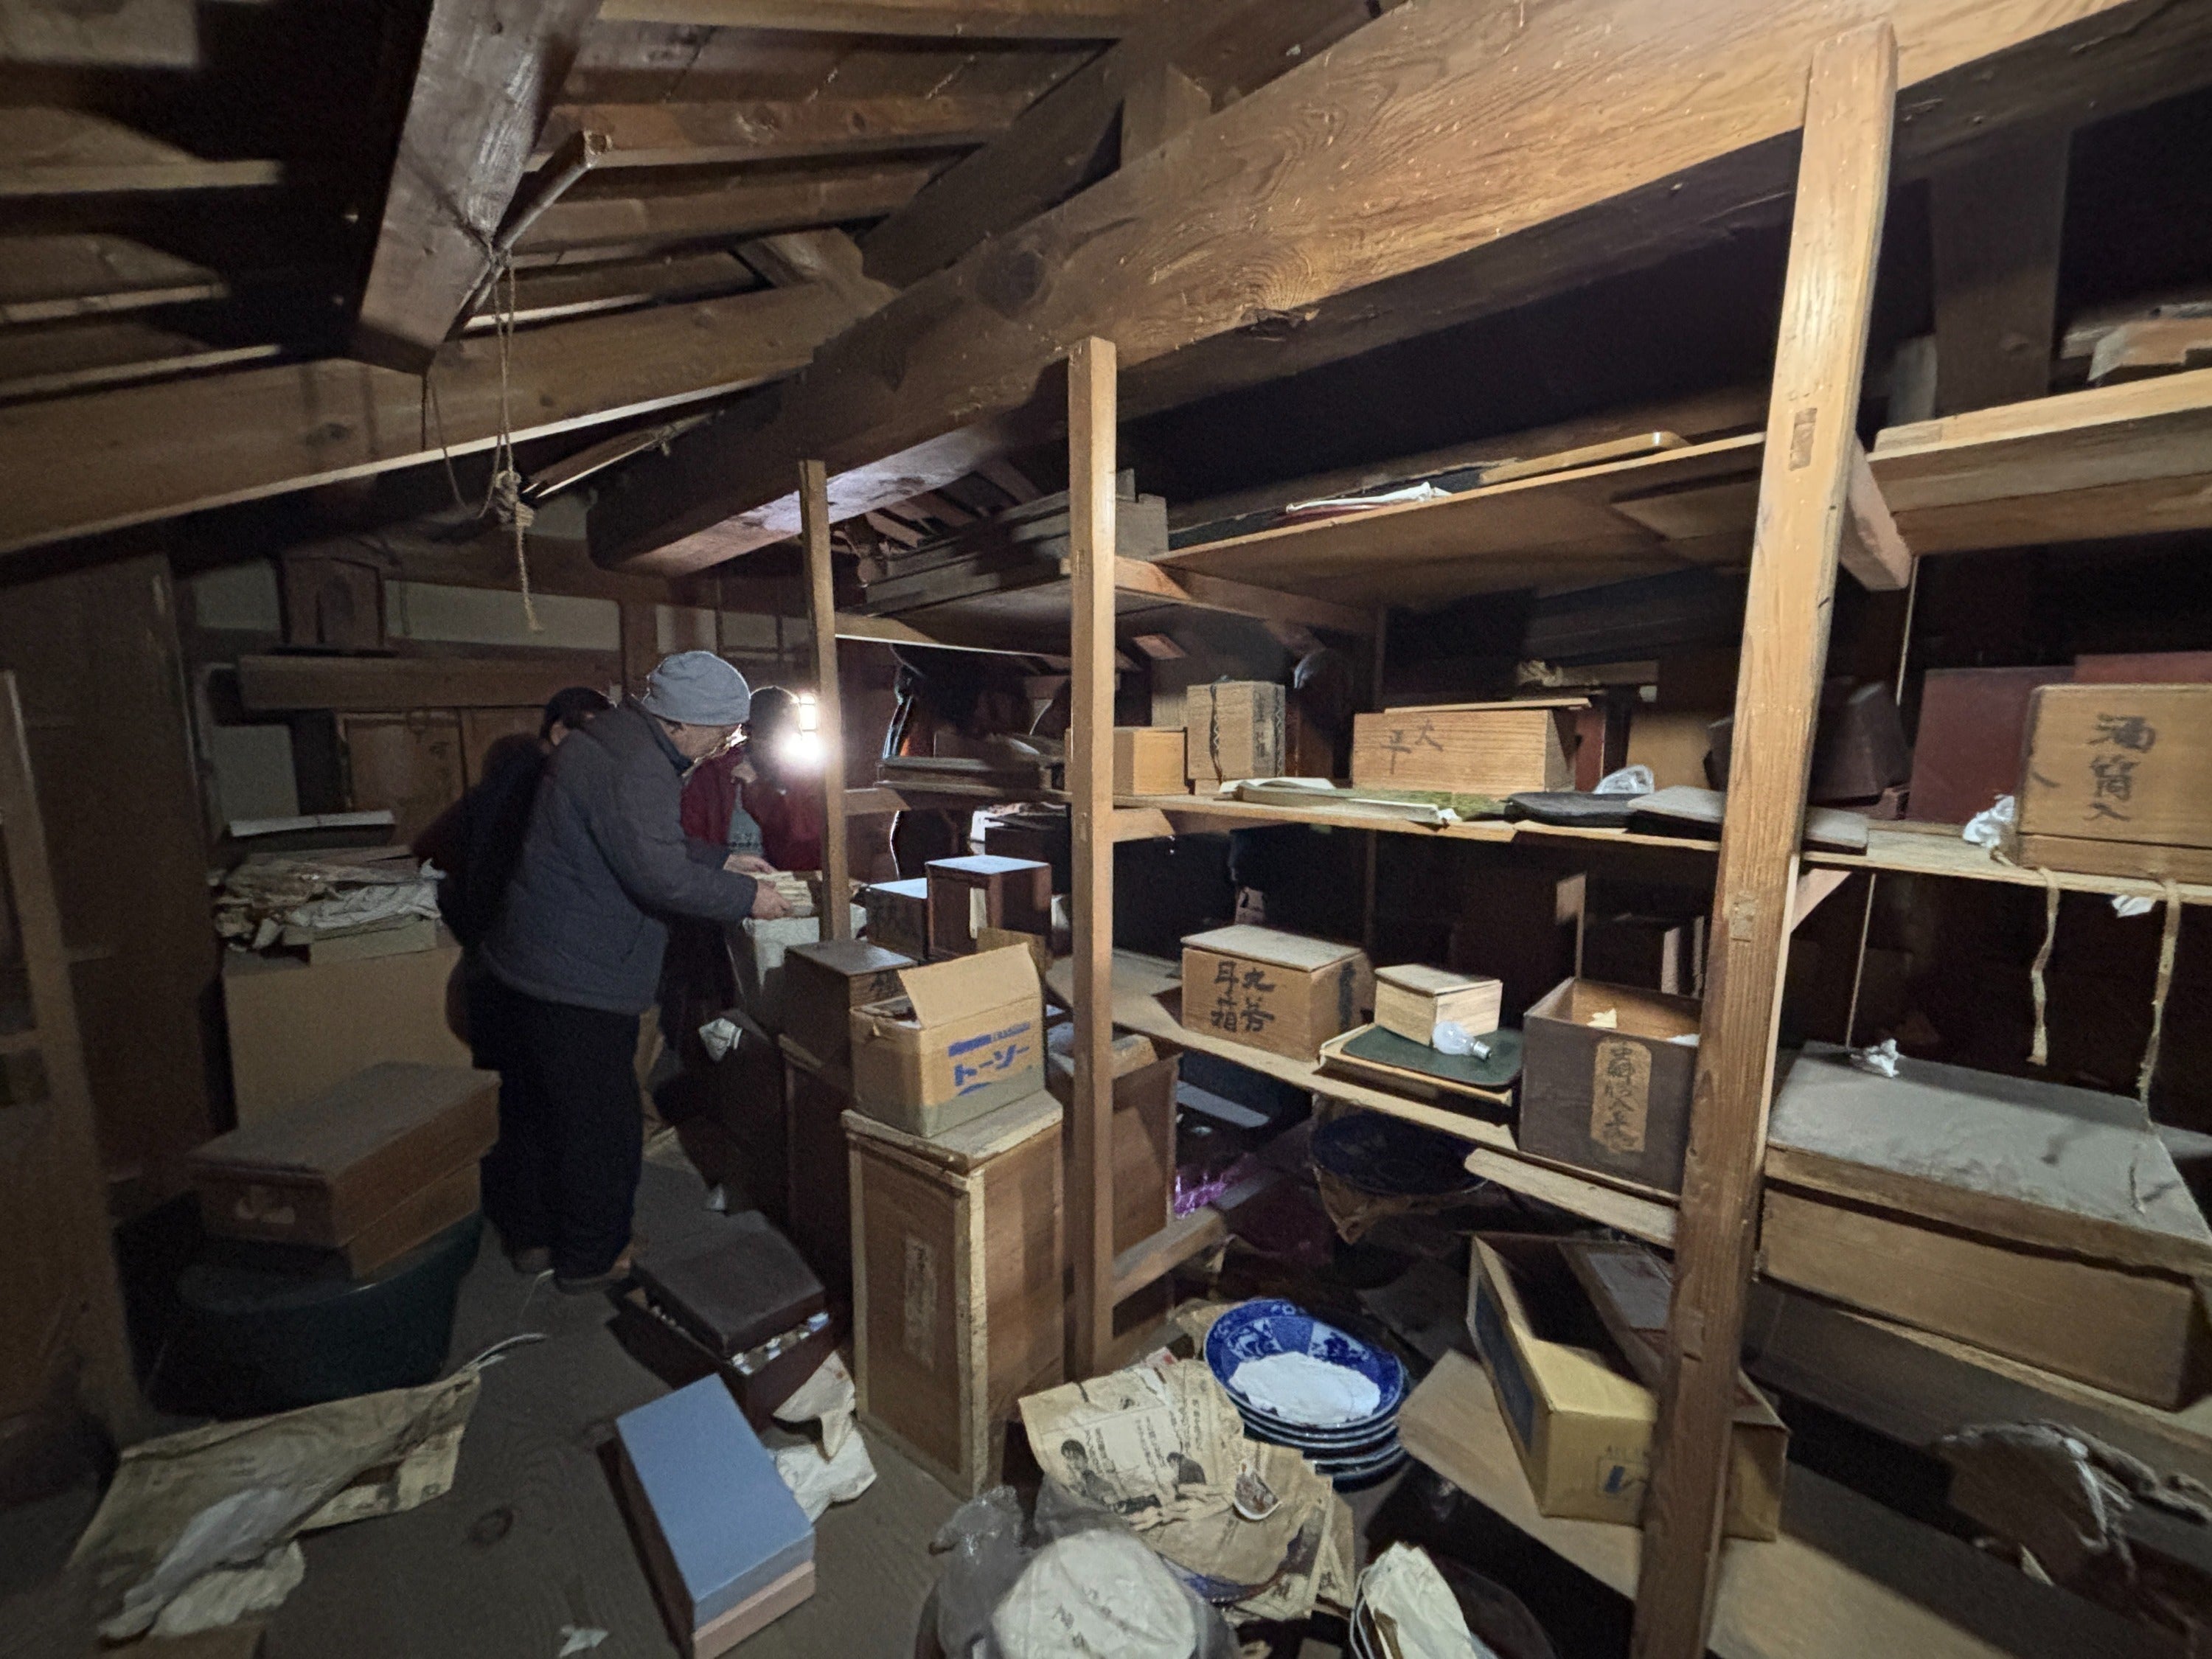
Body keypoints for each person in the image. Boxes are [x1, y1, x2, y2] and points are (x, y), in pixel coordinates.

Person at [474, 652, 792, 1292]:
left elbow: (636, 839)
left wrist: (721, 860)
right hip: (578, 973)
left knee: (540, 1110)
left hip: (535, 960)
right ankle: (593, 1257)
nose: (723, 747)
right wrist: (746, 898)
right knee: (601, 1124)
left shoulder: (610, 739)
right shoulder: (639, 766)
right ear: (682, 722)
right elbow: (658, 874)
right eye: (721, 733)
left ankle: (534, 1237)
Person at [681, 685, 826, 873]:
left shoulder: (805, 777)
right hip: (725, 879)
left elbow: (807, 841)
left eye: (785, 736)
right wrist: (720, 863)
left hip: (786, 879)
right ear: (748, 732)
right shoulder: (714, 774)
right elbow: (689, 837)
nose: (773, 745)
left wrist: (758, 790)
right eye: (767, 736)